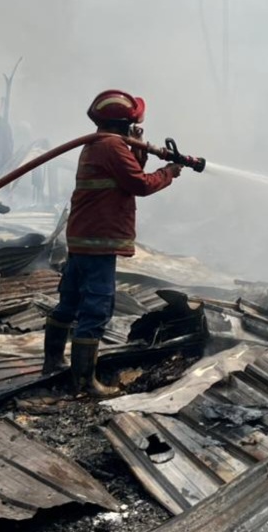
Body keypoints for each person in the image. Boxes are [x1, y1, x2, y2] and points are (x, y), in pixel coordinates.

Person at [44, 89, 185, 396]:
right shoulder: (111, 146)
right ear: (122, 123)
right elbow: (139, 184)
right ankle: (83, 383)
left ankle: (52, 363)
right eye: (133, 122)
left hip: (83, 238)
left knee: (69, 303)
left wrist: (138, 149)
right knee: (96, 309)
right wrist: (169, 172)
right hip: (99, 242)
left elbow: (125, 174)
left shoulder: (100, 144)